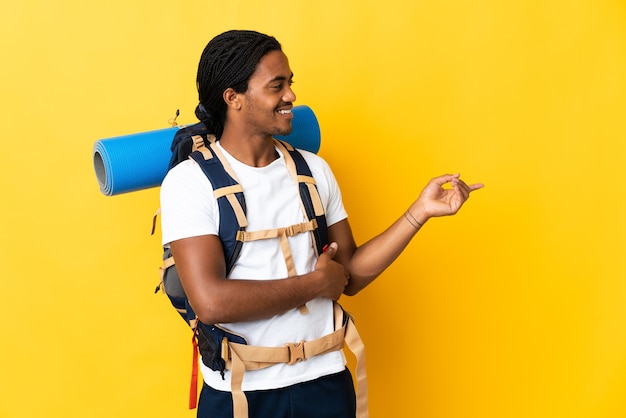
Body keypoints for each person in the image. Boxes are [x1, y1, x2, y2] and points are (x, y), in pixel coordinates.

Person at [160, 29, 483, 418]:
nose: (291, 96)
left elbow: (350, 275)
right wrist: (314, 284)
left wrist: (419, 213)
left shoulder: (313, 171)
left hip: (325, 382)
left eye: (290, 83)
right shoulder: (190, 182)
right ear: (234, 99)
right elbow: (210, 302)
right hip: (241, 393)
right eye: (276, 86)